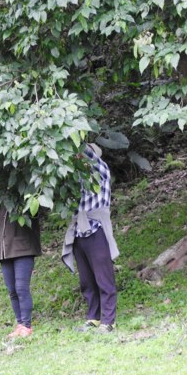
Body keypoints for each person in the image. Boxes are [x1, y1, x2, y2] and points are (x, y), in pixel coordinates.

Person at [61, 143, 120, 333]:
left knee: (104, 277)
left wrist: (75, 143)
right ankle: (93, 317)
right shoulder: (77, 179)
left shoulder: (101, 170)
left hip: (97, 229)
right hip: (79, 232)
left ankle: (108, 321)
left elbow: (88, 155)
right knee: (86, 279)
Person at [0, 205, 41, 338]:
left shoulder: (23, 195)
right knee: (12, 290)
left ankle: (26, 326)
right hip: (5, 250)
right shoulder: (0, 199)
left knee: (21, 288)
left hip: (23, 247)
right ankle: (20, 324)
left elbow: (35, 210)